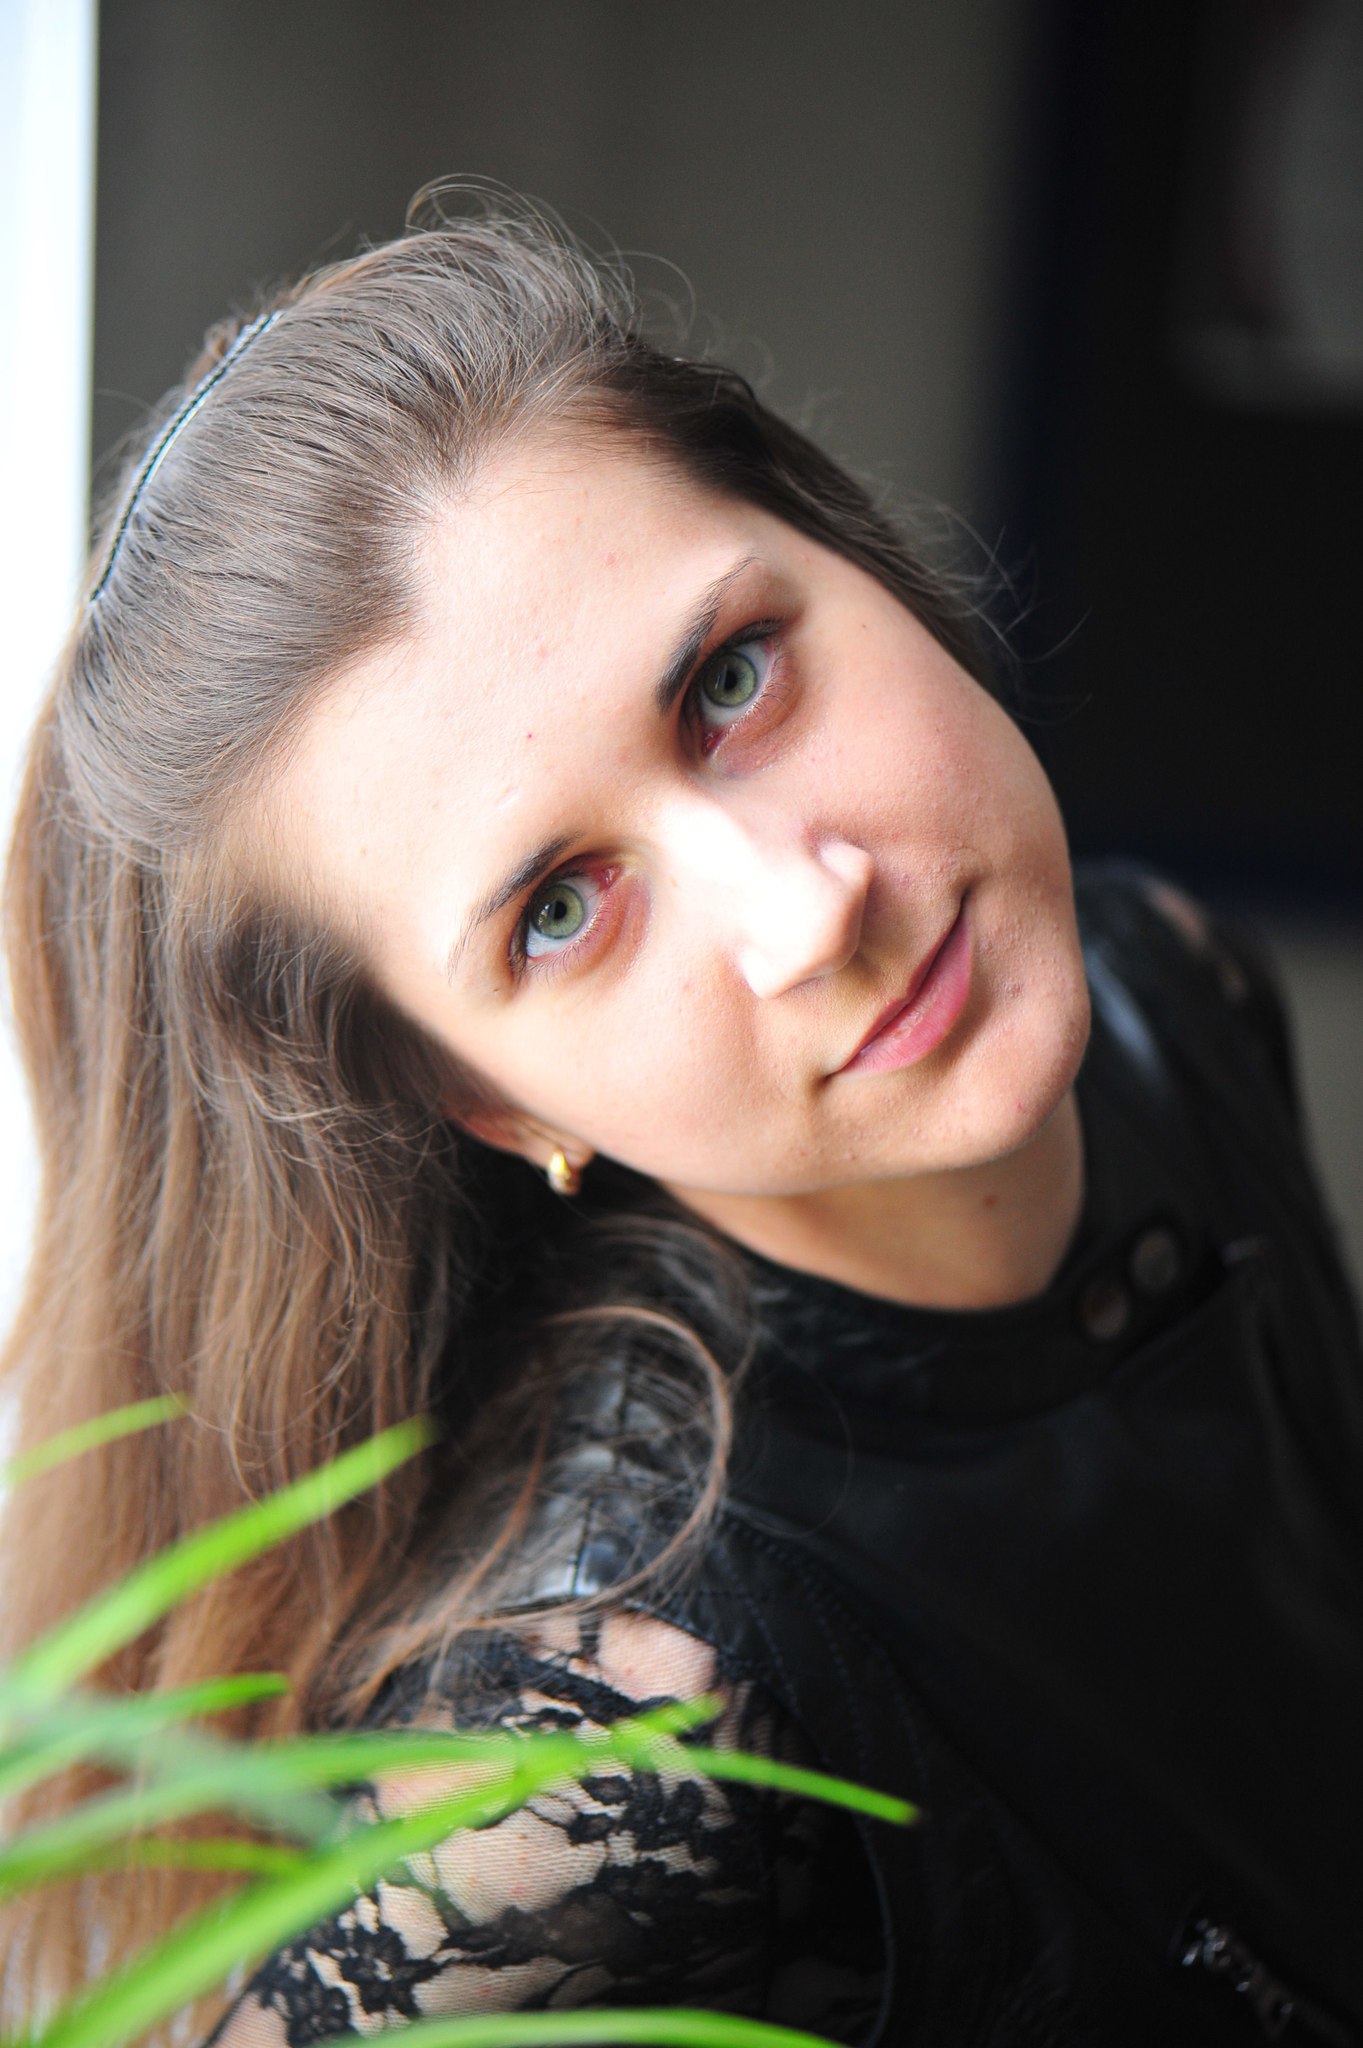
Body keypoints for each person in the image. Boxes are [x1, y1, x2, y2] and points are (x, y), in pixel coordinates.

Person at [2, 200, 1361, 2048]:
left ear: (849, 547)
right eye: (562, 908)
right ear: (494, 1100)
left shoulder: (1169, 983)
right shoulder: (611, 1741)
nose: (806, 912)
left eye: (731, 679)